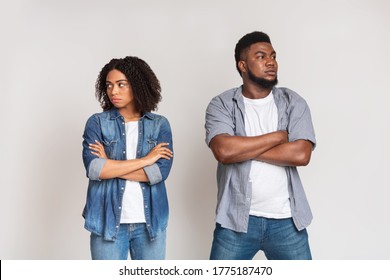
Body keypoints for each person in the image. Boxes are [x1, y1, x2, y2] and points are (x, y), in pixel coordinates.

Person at [205, 31, 316, 260]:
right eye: (261, 56)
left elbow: (301, 154)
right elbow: (224, 151)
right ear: (243, 65)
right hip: (235, 221)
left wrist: (243, 149)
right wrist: (278, 137)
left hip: (287, 222)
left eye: (273, 56)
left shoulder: (293, 102)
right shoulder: (222, 104)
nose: (271, 62)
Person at [82, 56, 173, 260]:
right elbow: (96, 170)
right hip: (107, 223)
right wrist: (145, 160)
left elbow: (158, 174)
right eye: (109, 85)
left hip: (150, 224)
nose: (113, 91)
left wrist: (111, 166)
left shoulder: (159, 125)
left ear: (138, 85)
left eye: (121, 84)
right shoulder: (97, 123)